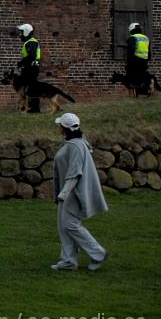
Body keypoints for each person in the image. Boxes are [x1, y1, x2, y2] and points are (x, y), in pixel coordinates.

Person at [51, 113, 108, 271]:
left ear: (64, 128)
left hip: (73, 192)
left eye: (60, 126)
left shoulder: (76, 145)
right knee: (63, 226)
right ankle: (68, 261)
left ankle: (97, 252)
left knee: (70, 224)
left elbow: (75, 173)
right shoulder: (72, 143)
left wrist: (63, 193)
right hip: (67, 192)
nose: (58, 128)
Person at [16, 23, 41, 113]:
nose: (20, 34)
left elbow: (32, 55)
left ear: (26, 32)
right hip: (30, 68)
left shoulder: (31, 42)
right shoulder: (29, 42)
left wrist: (21, 62)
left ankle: (35, 108)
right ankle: (29, 107)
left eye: (21, 32)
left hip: (31, 68)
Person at [126, 22, 150, 87]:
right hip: (144, 60)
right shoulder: (146, 38)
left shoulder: (132, 37)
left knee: (133, 78)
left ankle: (134, 90)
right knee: (141, 77)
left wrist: (128, 61)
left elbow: (131, 49)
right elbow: (149, 51)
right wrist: (147, 60)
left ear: (131, 30)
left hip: (135, 60)